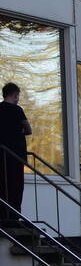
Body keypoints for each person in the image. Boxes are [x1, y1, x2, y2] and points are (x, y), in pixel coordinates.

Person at [0, 82, 31, 223]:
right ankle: (14, 215)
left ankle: (3, 214)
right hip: (16, 154)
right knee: (16, 185)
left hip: (2, 154)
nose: (18, 99)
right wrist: (20, 132)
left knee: (3, 184)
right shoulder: (17, 110)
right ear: (15, 95)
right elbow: (28, 129)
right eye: (17, 96)